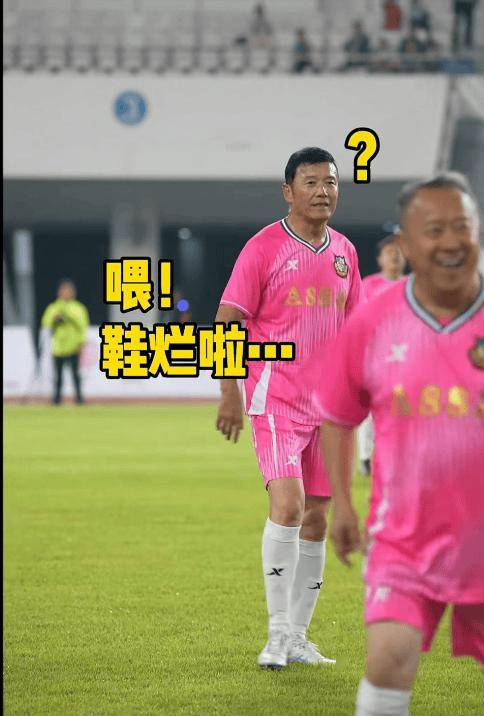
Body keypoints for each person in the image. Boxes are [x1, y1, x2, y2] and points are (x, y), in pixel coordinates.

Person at [318, 172, 483, 715]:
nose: (451, 241)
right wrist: (343, 505)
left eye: (462, 226)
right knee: (388, 660)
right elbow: (338, 416)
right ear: (406, 245)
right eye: (434, 230)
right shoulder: (371, 322)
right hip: (403, 541)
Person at [215, 147, 362, 669]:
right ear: (288, 191)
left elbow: (357, 326)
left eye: (331, 182)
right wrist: (230, 392)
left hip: (331, 410)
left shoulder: (345, 251)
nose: (323, 191)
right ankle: (276, 634)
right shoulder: (264, 248)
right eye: (311, 182)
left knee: (317, 518)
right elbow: (228, 319)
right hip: (276, 398)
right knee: (288, 507)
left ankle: (299, 637)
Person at [357, 234, 406, 475]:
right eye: (389, 252)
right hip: (376, 356)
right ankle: (366, 456)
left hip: (406, 356)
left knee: (402, 407)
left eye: (398, 252)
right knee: (370, 409)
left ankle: (397, 456)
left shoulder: (413, 286)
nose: (394, 256)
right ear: (380, 259)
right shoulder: (369, 286)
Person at [41, 279, 89, 405]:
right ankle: (56, 399)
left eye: (68, 291)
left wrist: (81, 343)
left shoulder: (78, 308)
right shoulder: (54, 307)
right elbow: (46, 322)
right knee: (58, 376)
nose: (66, 293)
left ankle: (79, 399)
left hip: (73, 346)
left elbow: (83, 325)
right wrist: (55, 318)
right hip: (59, 346)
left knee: (75, 375)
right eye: (64, 291)